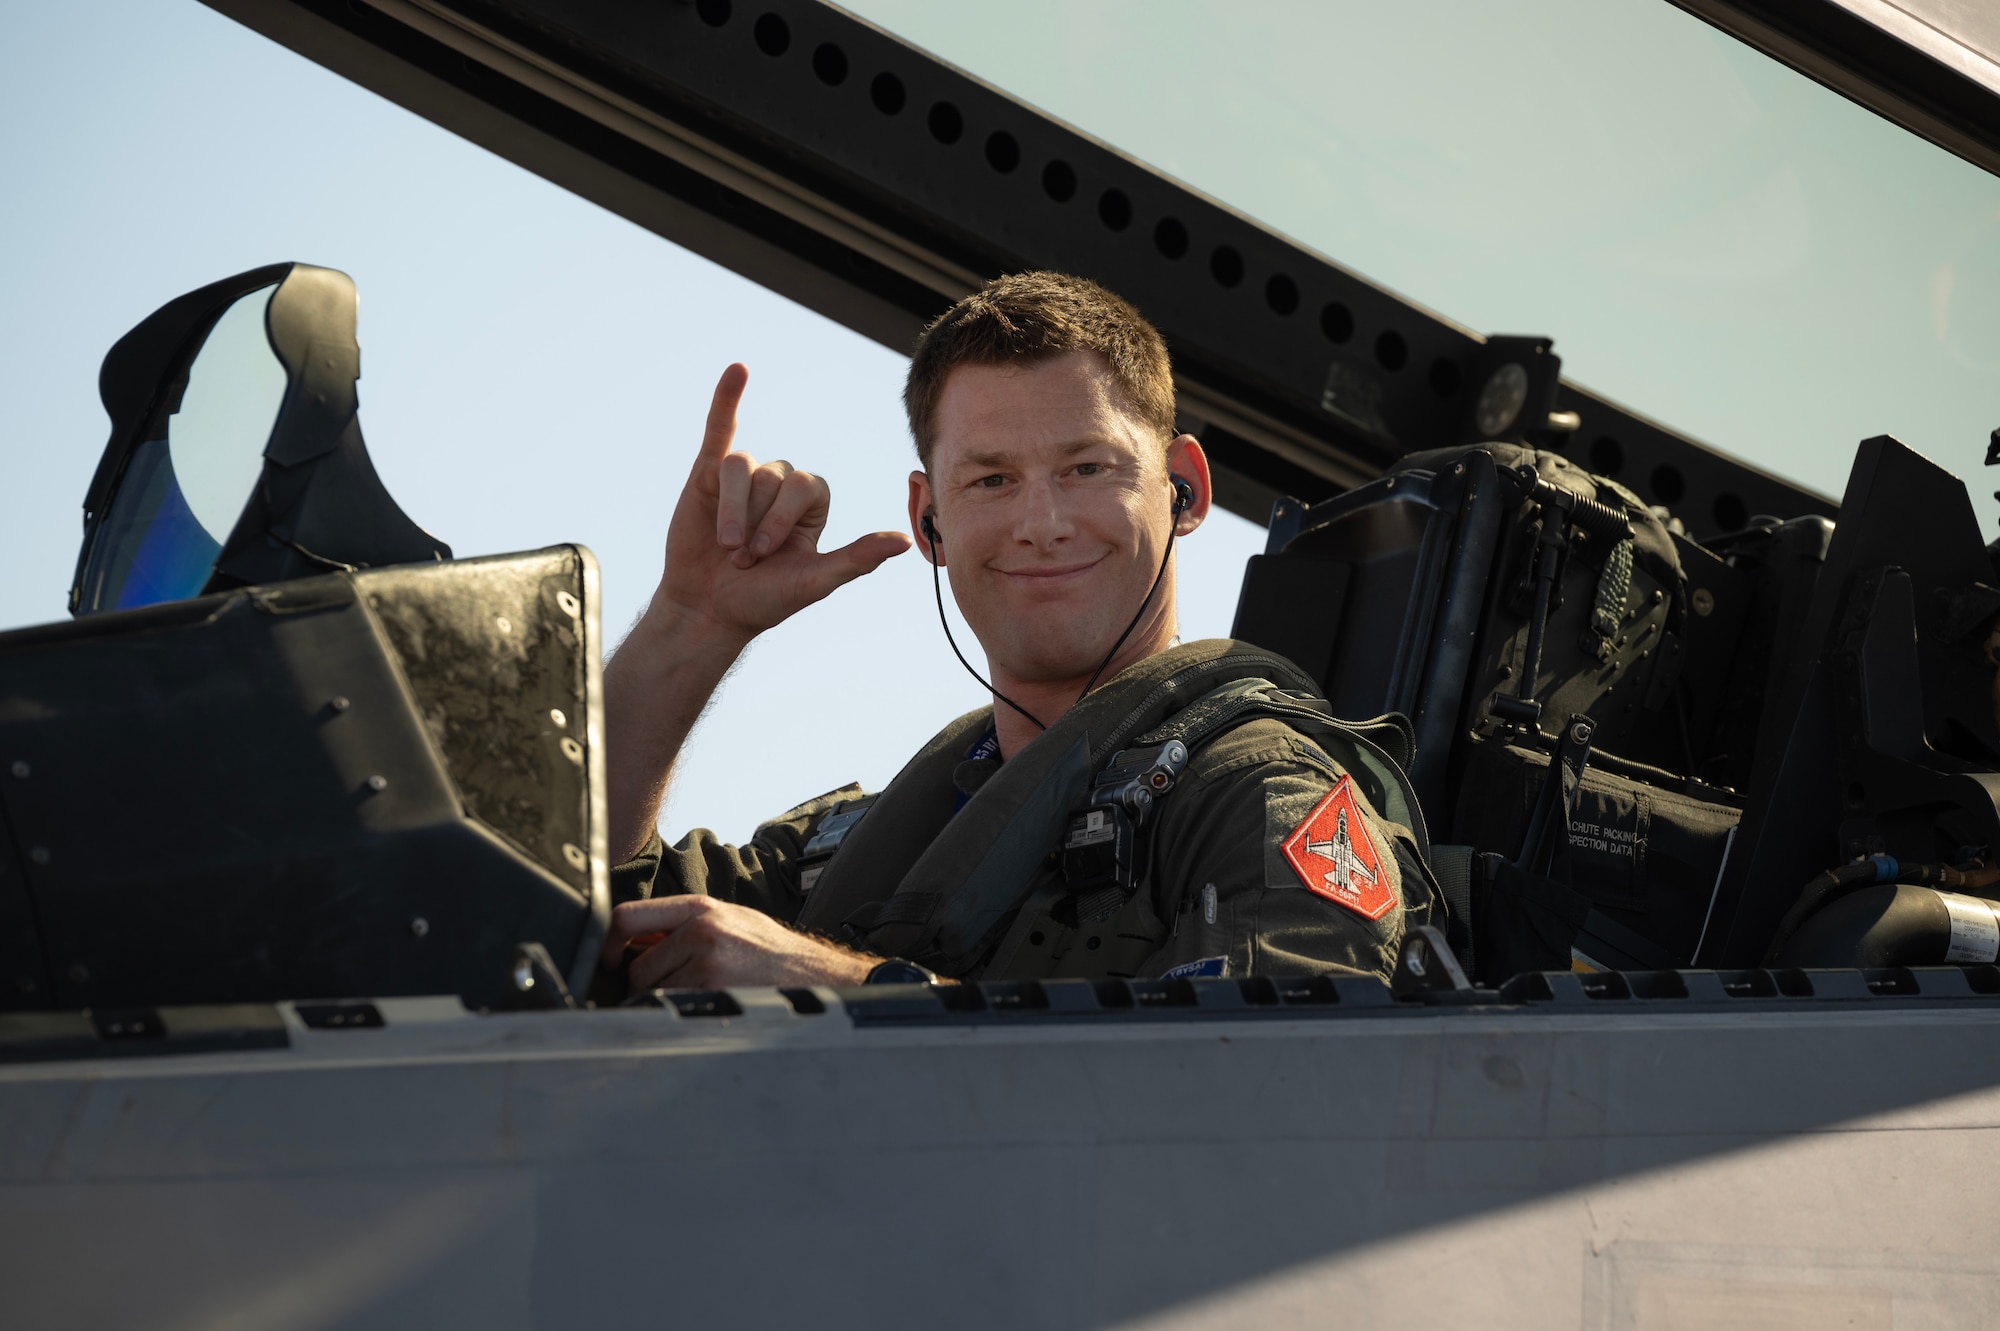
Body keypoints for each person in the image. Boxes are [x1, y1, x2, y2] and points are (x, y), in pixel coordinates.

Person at [599, 272, 1441, 990]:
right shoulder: (873, 849)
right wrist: (690, 624)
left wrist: (846, 992)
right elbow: (567, 905)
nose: (1041, 522)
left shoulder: (1256, 797)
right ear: (929, 521)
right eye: (993, 479)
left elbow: (1287, 1094)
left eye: (1086, 468)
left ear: (1182, 487)